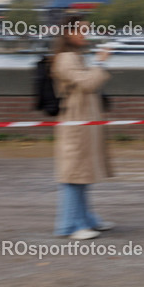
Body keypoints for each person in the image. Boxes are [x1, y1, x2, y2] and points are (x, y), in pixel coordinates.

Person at [52, 17, 115, 241]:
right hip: (75, 124)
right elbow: (88, 84)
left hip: (82, 122)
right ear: (67, 33)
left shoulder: (74, 56)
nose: (84, 34)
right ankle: (69, 225)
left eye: (86, 30)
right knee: (74, 175)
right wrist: (100, 62)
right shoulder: (65, 58)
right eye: (80, 30)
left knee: (82, 174)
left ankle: (86, 219)